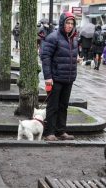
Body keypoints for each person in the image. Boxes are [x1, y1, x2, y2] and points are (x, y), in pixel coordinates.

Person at [41, 12, 78, 141]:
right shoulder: (53, 37)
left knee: (63, 106)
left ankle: (61, 131)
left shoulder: (73, 39)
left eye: (72, 23)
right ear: (62, 23)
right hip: (54, 78)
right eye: (67, 23)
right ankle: (49, 132)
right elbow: (46, 58)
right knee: (53, 105)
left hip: (68, 78)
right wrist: (48, 77)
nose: (69, 26)